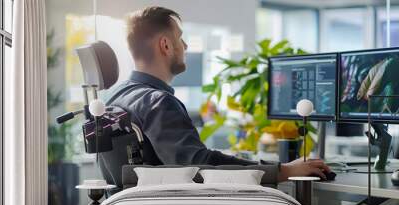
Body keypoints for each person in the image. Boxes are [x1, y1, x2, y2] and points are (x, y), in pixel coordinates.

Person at [99, 6, 330, 188]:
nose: (186, 45)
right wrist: (284, 171)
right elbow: (201, 167)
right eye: (180, 38)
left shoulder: (113, 96)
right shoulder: (158, 102)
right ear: (166, 45)